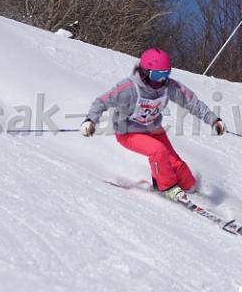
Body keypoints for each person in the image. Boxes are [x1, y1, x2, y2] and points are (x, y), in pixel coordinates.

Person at [82, 49, 226, 202]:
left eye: (166, 74)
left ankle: (184, 187)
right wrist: (90, 120)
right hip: (128, 133)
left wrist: (213, 120)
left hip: (153, 130)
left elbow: (192, 103)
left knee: (182, 173)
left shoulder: (168, 87)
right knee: (158, 151)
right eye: (157, 76)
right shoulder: (129, 89)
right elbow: (101, 102)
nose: (161, 80)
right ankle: (167, 187)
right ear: (145, 72)